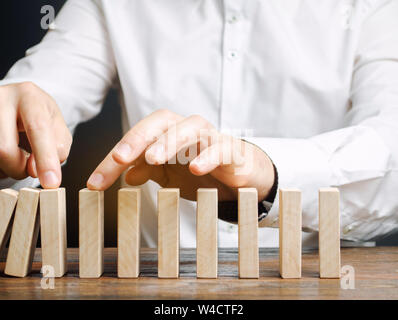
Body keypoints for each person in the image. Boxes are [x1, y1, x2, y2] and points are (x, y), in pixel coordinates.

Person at [0, 0, 397, 248]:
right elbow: (39, 96)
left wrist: (268, 172)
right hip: (155, 290)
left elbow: (390, 150)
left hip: (318, 283)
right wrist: (10, 133)